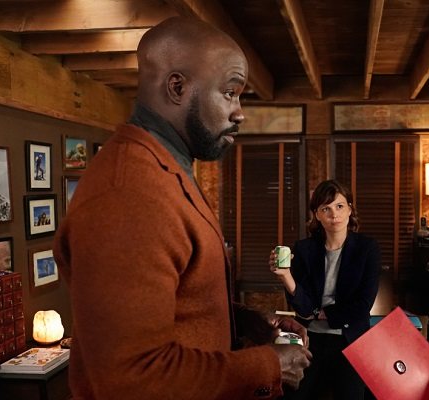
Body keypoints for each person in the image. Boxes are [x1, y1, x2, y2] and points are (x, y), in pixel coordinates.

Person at [53, 16, 311, 400]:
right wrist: (267, 365)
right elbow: (130, 380)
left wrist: (245, 322)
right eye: (230, 92)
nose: (240, 112)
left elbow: (176, 303)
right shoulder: (129, 193)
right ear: (177, 87)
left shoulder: (167, 168)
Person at [269, 179, 381, 399]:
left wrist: (321, 313)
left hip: (351, 340)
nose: (334, 215)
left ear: (350, 209)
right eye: (326, 209)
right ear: (317, 215)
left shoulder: (367, 248)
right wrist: (285, 276)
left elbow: (363, 304)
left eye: (339, 206)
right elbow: (301, 306)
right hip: (311, 338)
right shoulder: (304, 249)